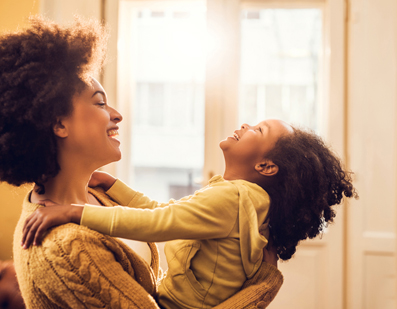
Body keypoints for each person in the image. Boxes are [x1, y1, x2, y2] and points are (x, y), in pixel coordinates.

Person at [0, 15, 283, 309]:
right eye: (99, 103)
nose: (116, 114)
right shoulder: (67, 248)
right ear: (59, 124)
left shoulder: (94, 195)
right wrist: (263, 287)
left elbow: (162, 217)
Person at [21, 119, 357, 309]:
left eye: (257, 130)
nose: (245, 124)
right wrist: (117, 186)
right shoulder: (243, 200)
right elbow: (166, 211)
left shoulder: (233, 198)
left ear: (265, 166)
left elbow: (155, 223)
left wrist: (74, 213)